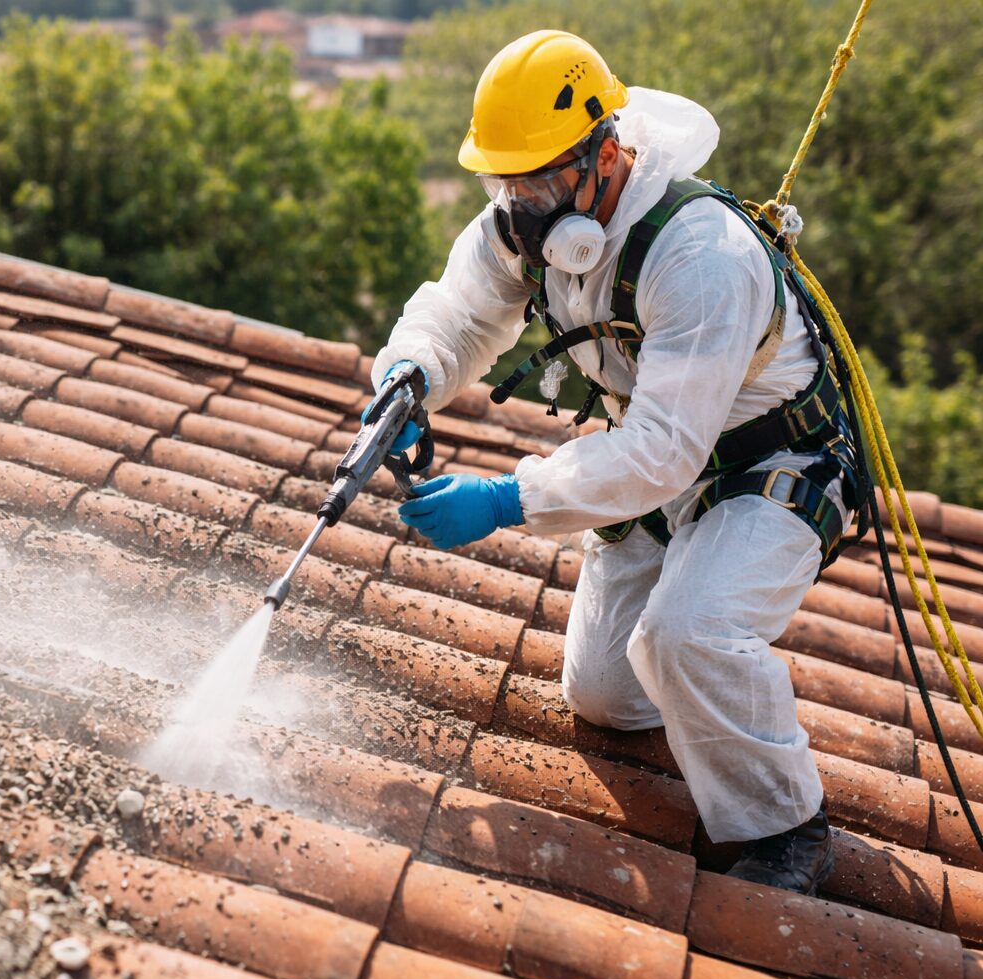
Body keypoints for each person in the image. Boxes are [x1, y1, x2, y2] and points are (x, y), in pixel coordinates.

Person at [368, 29, 858, 894]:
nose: (524, 204)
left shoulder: (703, 257)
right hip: (660, 469)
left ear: (607, 150)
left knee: (685, 635)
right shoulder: (527, 225)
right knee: (603, 694)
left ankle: (787, 826)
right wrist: (408, 378)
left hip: (770, 465)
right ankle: (696, 678)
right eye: (505, 181)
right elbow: (459, 315)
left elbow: (666, 450)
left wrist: (507, 498)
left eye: (543, 180)